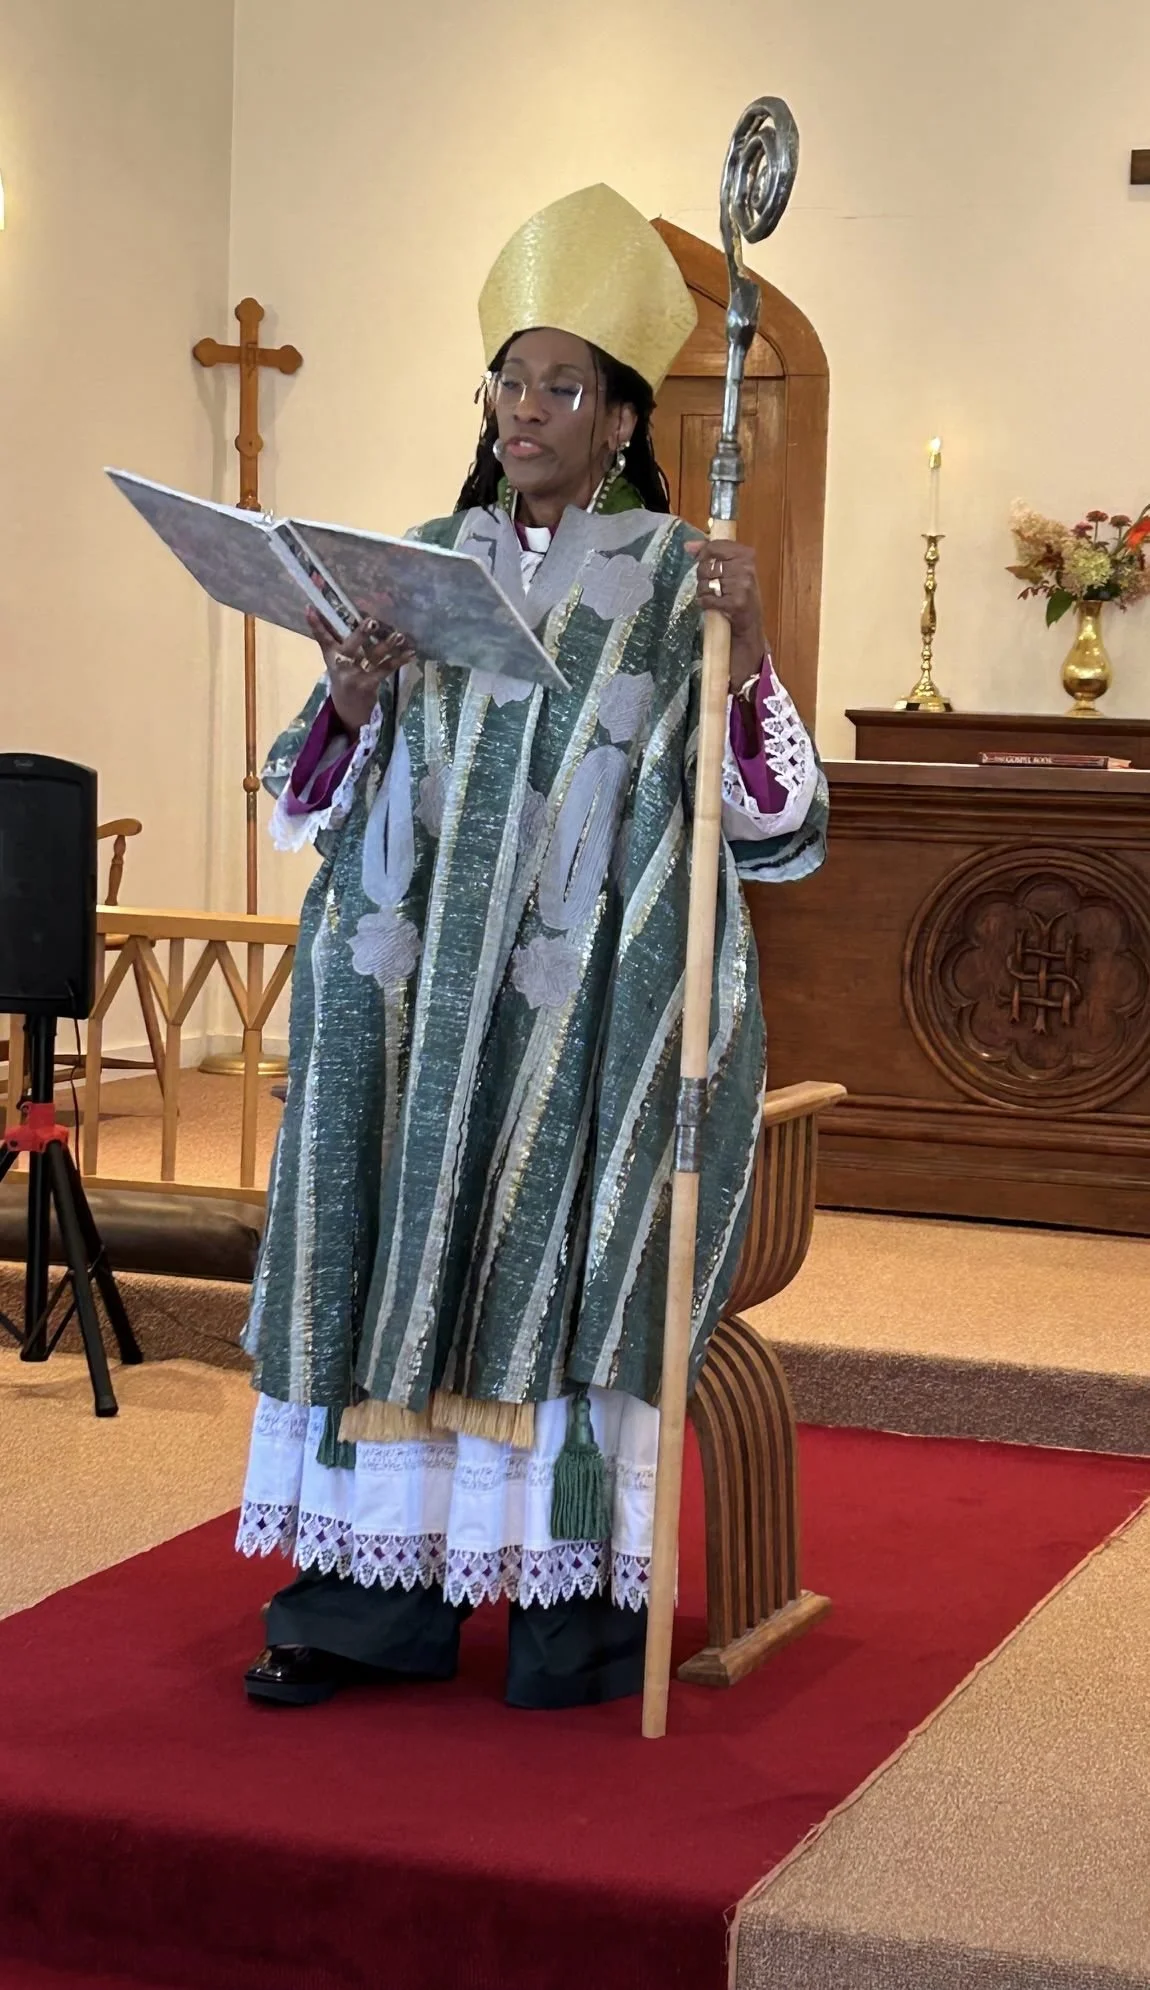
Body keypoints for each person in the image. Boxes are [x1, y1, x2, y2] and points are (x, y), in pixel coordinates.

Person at [238, 184, 827, 1709]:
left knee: (563, 1266)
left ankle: (568, 1610)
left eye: (559, 385)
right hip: (423, 1007)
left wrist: (749, 655)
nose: (523, 409)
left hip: (570, 1024)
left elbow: (775, 827)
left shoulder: (664, 581)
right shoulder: (417, 559)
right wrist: (356, 696)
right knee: (393, 1253)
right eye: (508, 378)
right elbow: (306, 804)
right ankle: (376, 1601)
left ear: (623, 416)